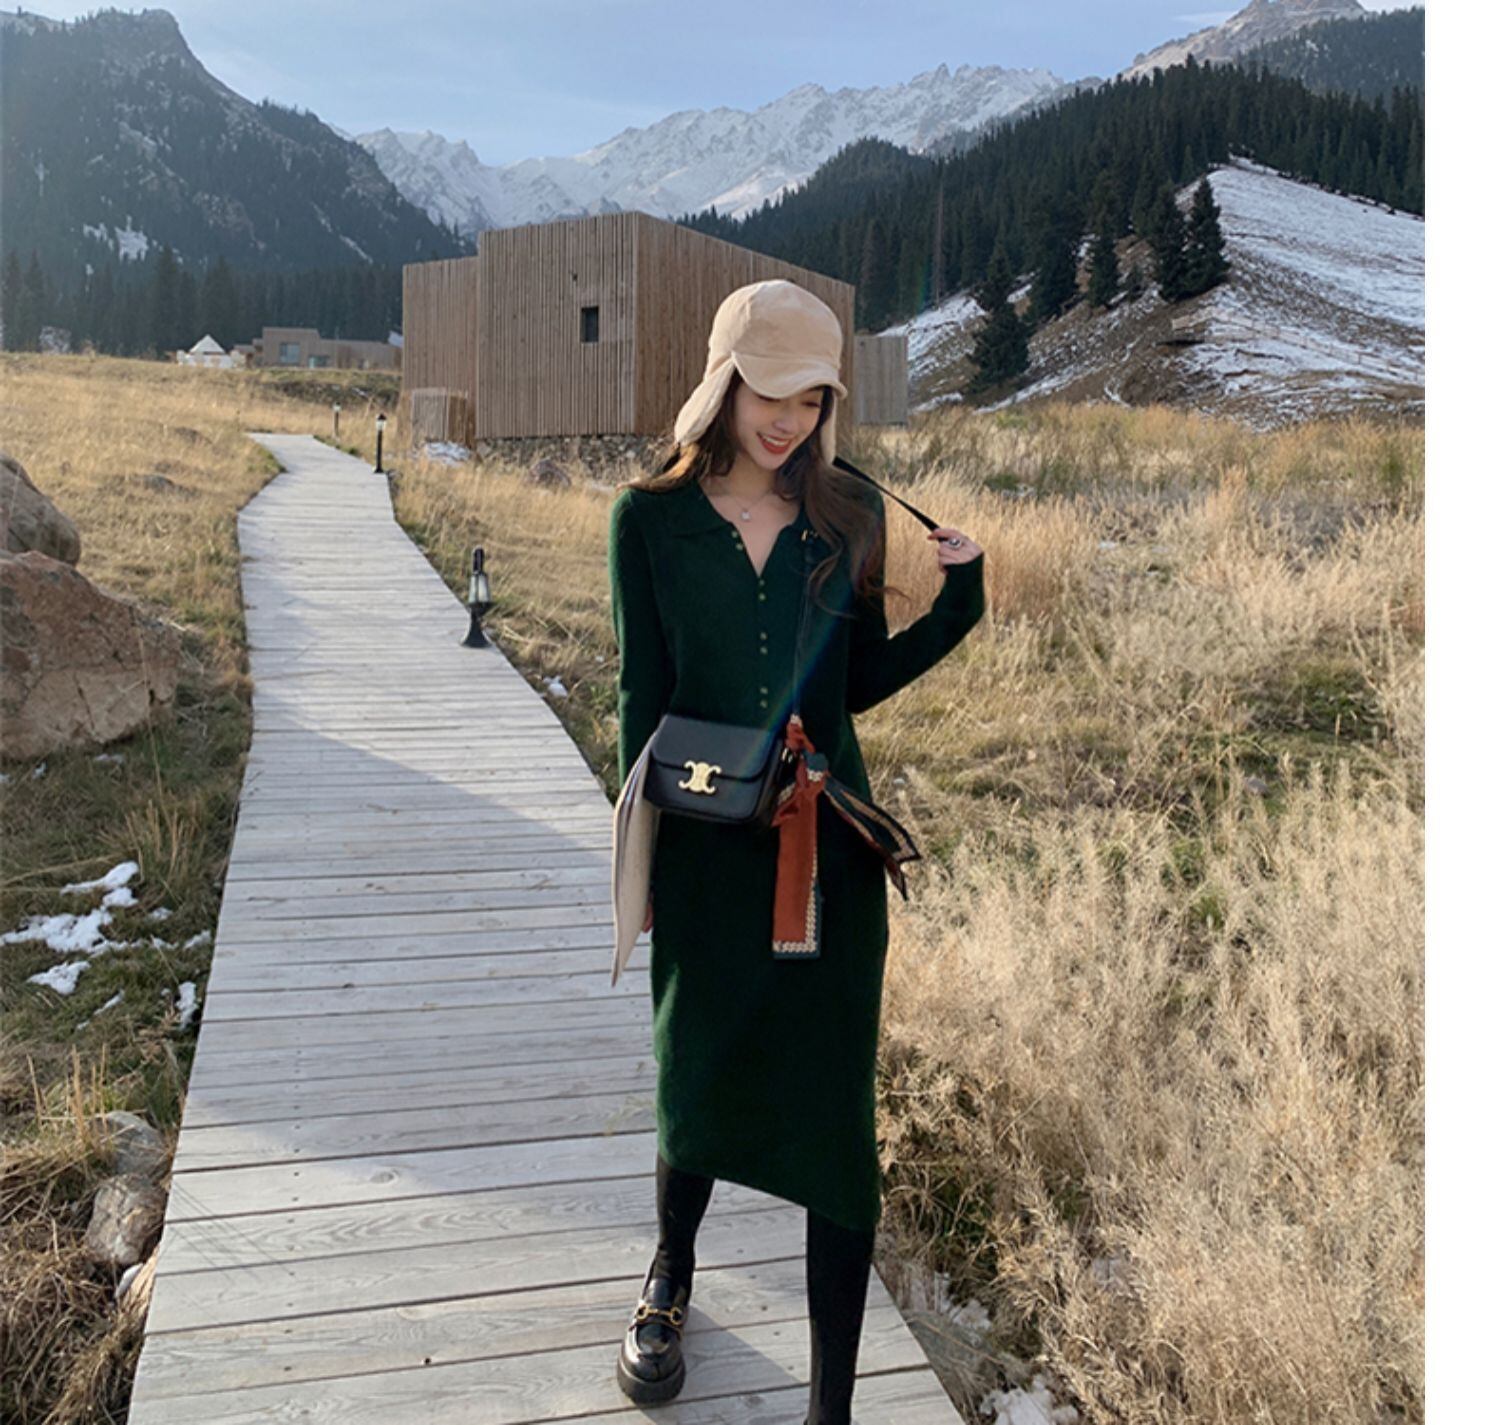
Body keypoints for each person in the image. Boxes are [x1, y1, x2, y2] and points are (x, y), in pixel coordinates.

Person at [607, 278, 986, 1424]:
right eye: (769, 392)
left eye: (812, 398)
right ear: (723, 381)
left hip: (829, 859)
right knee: (696, 1076)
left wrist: (957, 608)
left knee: (834, 1123)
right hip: (705, 855)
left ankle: (832, 1408)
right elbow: (642, 701)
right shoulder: (648, 522)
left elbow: (850, 684)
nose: (788, 420)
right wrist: (643, 869)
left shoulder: (849, 512)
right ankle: (669, 1275)